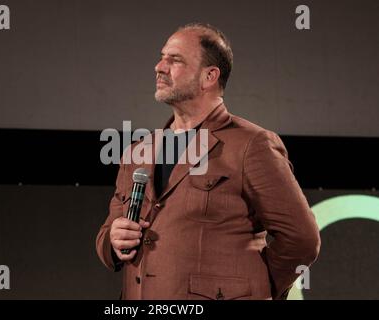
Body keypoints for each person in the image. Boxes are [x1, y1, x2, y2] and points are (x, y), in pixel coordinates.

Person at [96, 23, 320, 300]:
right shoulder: (137, 151)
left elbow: (302, 240)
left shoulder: (252, 145)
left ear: (209, 76)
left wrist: (253, 289)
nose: (159, 67)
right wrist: (113, 240)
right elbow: (108, 232)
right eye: (162, 57)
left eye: (174, 60)